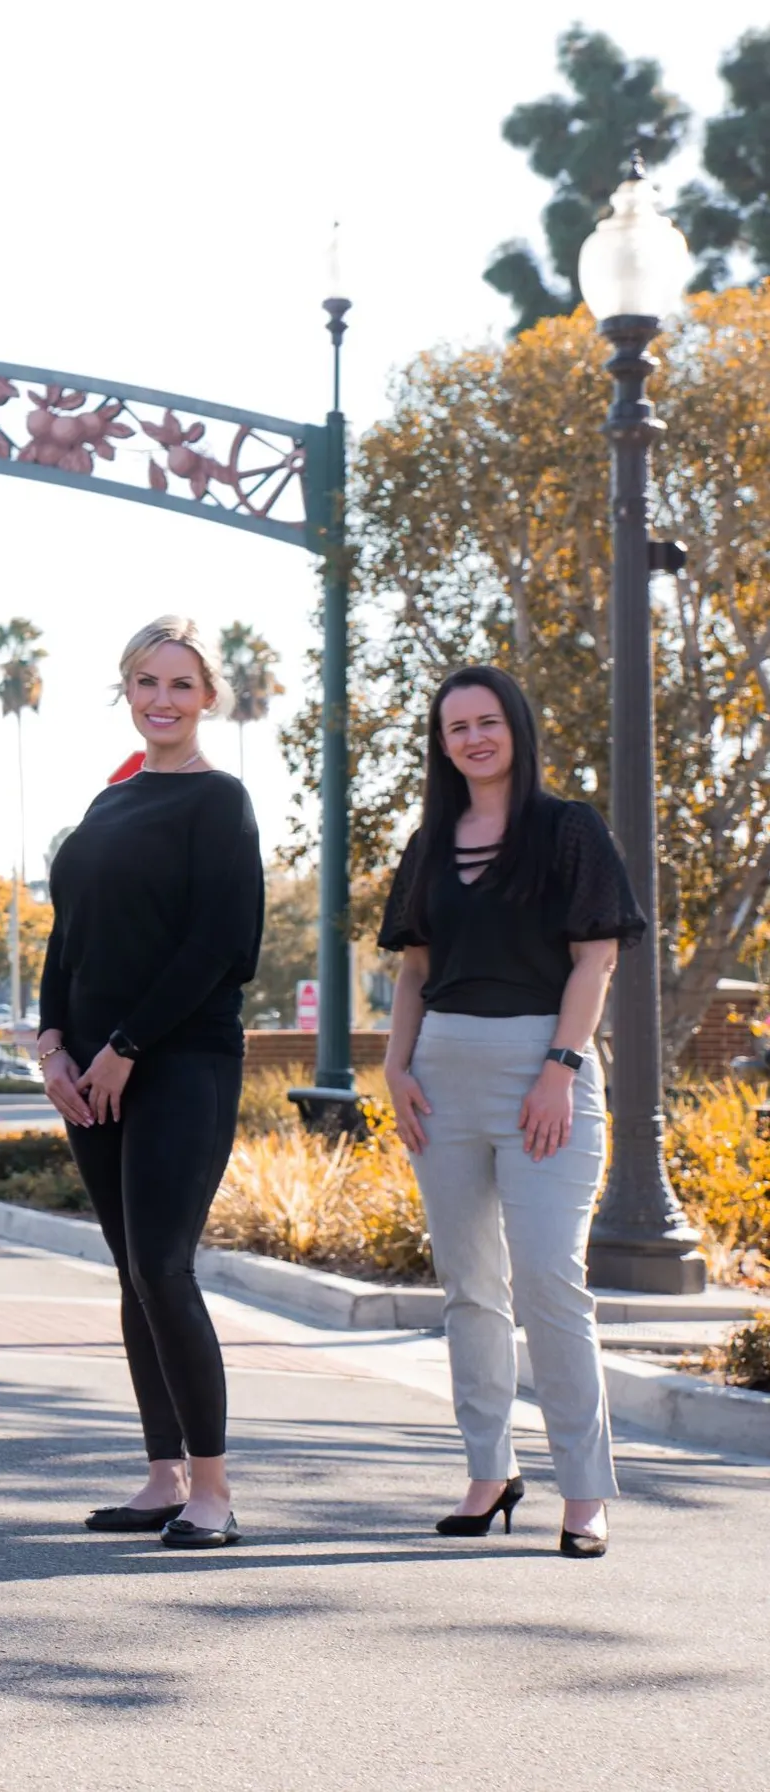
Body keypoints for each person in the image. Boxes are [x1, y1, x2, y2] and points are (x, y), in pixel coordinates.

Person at [379, 665, 641, 1559]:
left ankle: (585, 1490)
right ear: (442, 745)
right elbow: (413, 970)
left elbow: (594, 960)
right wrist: (395, 1066)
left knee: (548, 1280)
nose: (473, 739)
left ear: (516, 729)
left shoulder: (568, 830)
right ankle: (489, 1471)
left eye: (488, 722)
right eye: (456, 728)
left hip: (545, 1069)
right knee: (469, 1288)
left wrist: (559, 1069)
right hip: (441, 1072)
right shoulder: (429, 843)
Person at [36, 616, 263, 1550]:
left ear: (209, 696)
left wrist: (126, 1043)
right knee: (133, 1270)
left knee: (165, 1266)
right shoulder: (110, 803)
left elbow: (223, 946)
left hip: (181, 1063)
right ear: (125, 691)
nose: (161, 700)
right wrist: (55, 1044)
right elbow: (69, 933)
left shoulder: (221, 801)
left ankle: (213, 1490)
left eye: (180, 684)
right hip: (90, 1069)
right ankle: (162, 1474)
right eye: (145, 682)